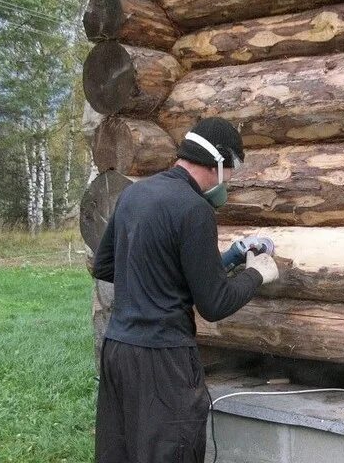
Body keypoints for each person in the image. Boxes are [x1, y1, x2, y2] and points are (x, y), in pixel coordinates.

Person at [92, 117, 279, 463]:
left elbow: (106, 266)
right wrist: (256, 274)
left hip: (118, 350)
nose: (230, 181)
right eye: (231, 170)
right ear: (219, 163)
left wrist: (228, 258)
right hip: (163, 362)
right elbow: (214, 303)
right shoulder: (195, 209)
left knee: (121, 454)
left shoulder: (135, 193)